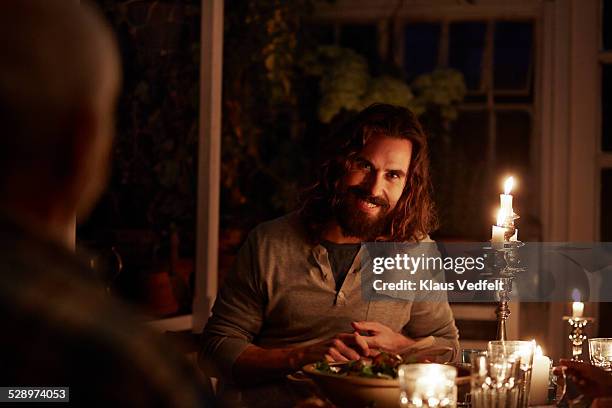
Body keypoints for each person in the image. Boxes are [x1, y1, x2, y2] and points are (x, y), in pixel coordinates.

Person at [0, 1, 210, 406]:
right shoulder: (112, 359)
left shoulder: (374, 252)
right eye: (364, 165)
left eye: (377, 172)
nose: (374, 186)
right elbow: (225, 342)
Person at [201, 103, 459, 406]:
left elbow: (448, 348)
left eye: (393, 175)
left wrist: (402, 346)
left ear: (408, 186)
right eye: (364, 165)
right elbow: (215, 351)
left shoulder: (416, 252)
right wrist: (298, 356)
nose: (374, 187)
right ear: (340, 164)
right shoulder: (269, 242)